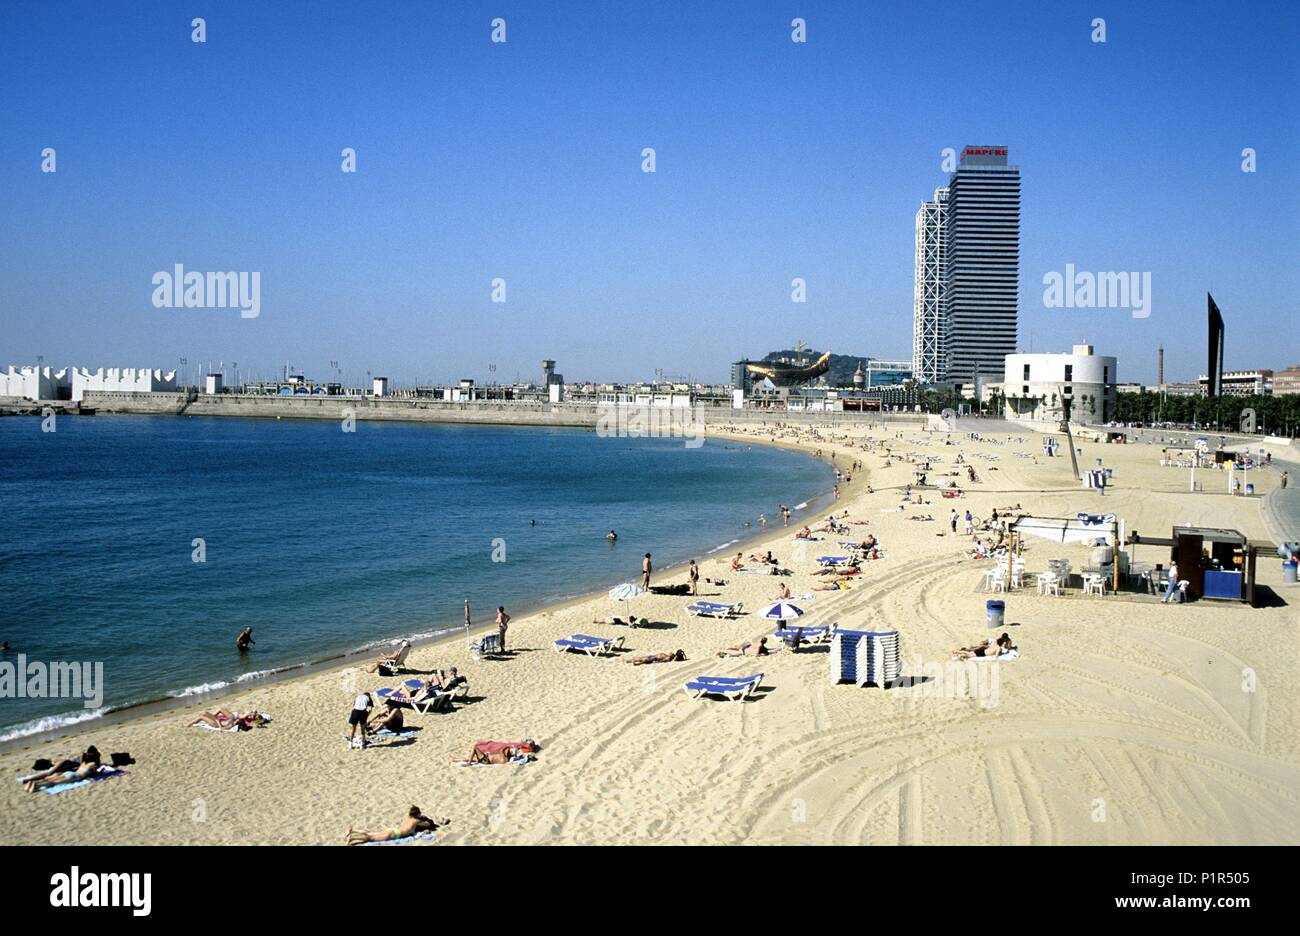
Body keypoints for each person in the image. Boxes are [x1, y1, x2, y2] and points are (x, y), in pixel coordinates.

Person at [347, 806, 445, 845]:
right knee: (371, 838)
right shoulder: (416, 821)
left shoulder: (409, 817)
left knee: (372, 834)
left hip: (394, 830)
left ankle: (354, 831)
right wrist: (427, 821)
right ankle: (352, 837)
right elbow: (427, 824)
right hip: (396, 834)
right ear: (418, 814)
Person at [24, 748, 102, 793]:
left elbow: (80, 764)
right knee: (54, 782)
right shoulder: (93, 764)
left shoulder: (83, 763)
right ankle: (37, 785)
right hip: (75, 776)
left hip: (70, 773)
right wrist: (99, 772)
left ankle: (34, 782)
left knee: (51, 778)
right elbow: (95, 774)